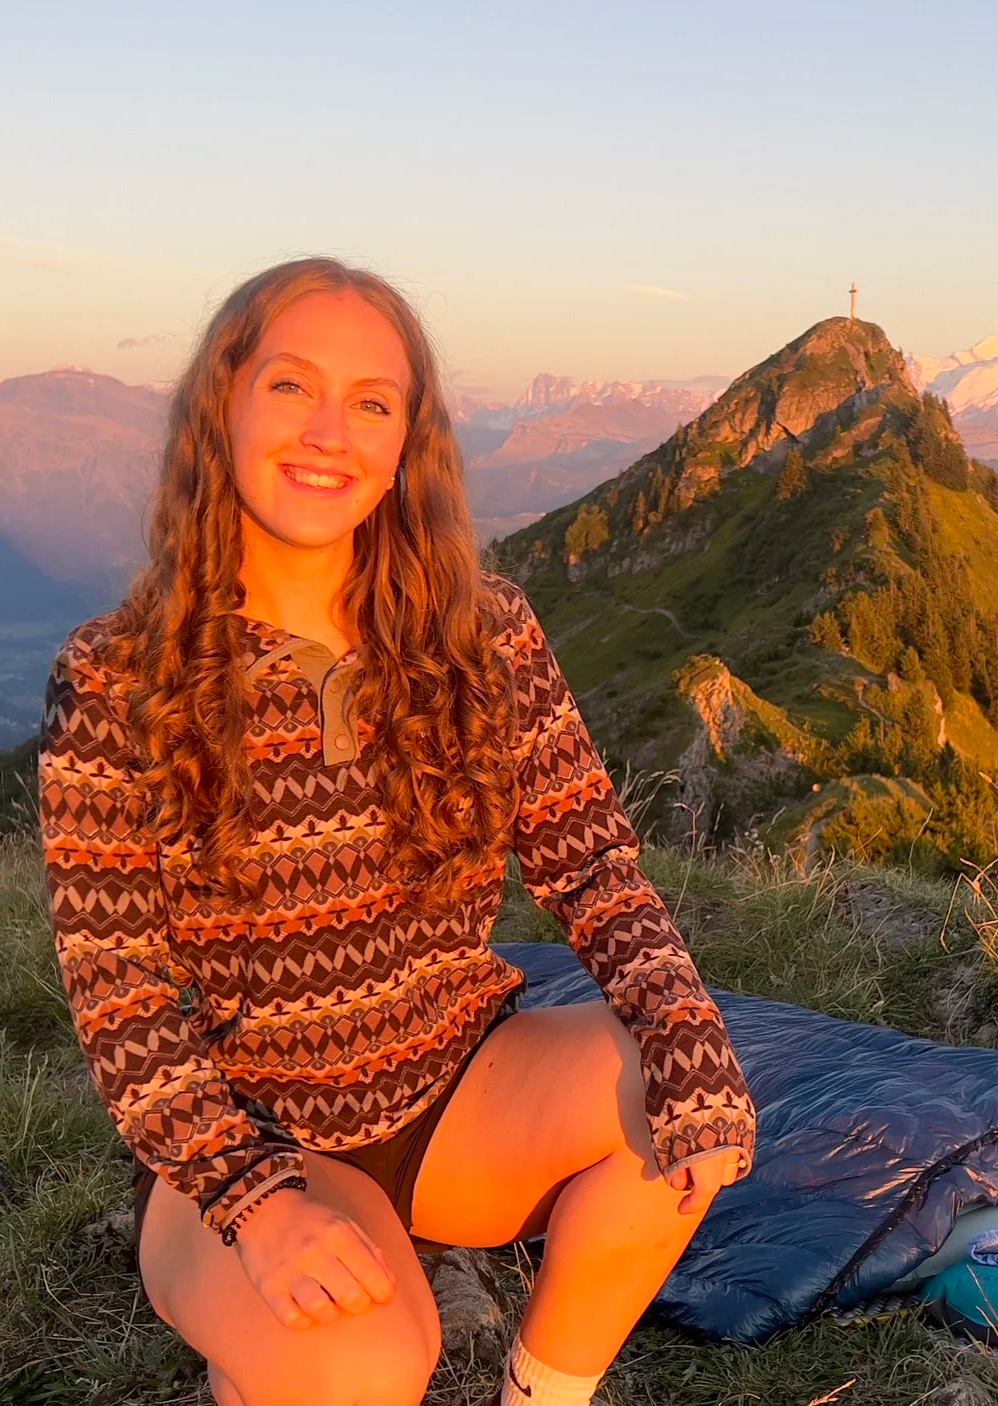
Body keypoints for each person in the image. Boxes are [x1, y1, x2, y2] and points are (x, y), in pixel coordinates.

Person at [37, 257, 757, 1406]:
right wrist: (259, 1205)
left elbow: (593, 862)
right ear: (221, 402)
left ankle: (543, 1393)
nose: (330, 432)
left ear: (405, 442)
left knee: (676, 1094)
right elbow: (121, 994)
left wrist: (685, 1029)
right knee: (370, 1368)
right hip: (249, 1128)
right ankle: (259, 1342)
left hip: (455, 1089)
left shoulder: (485, 630)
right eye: (290, 386)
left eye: (371, 402)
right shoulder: (120, 677)